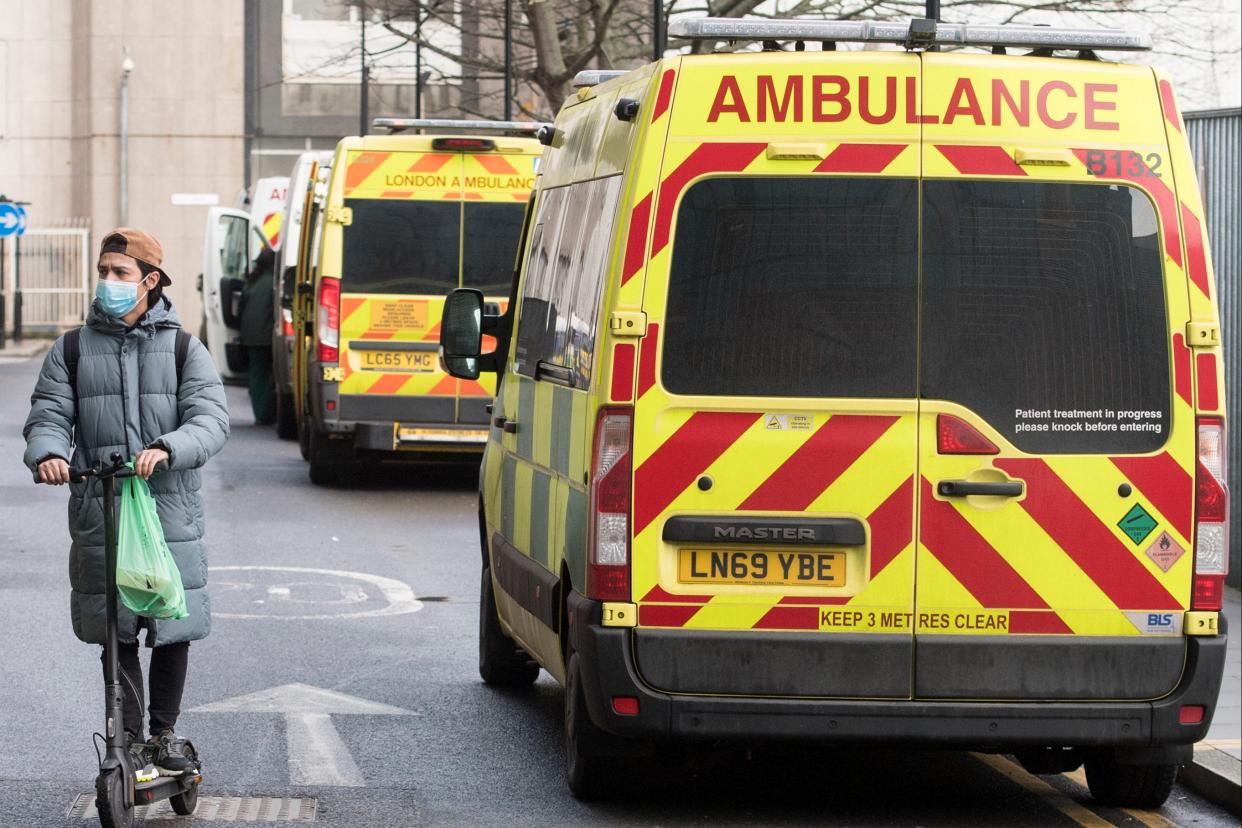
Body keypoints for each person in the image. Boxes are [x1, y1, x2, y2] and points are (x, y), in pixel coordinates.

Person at [23, 228, 229, 776]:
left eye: (120, 273)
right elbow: (48, 415)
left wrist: (168, 448)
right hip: (102, 505)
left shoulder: (185, 348)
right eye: (104, 271)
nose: (108, 282)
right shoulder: (71, 348)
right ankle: (129, 738)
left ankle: (162, 734)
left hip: (167, 509)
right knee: (114, 628)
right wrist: (48, 453)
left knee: (169, 624)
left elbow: (211, 421)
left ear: (150, 281)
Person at [240, 246, 276, 425]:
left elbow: (241, 307)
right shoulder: (274, 283)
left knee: (257, 375)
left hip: (250, 336)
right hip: (266, 337)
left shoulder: (253, 281)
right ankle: (266, 413)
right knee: (267, 375)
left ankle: (260, 413)